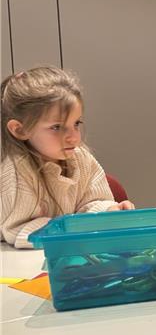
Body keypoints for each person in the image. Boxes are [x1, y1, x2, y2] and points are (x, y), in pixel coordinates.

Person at [1, 67, 134, 248]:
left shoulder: (81, 158)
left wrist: (109, 211)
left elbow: (91, 204)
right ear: (20, 130)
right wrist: (74, 228)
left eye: (76, 123)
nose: (73, 137)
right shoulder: (16, 170)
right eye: (57, 127)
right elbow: (18, 231)